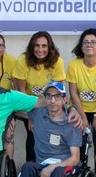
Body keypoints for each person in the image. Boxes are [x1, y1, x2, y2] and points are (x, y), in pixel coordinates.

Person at [13, 31, 66, 161]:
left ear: (49, 47)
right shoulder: (23, 59)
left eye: (44, 46)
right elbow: (21, 90)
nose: (40, 49)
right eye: (37, 45)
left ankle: (50, 170)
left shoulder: (57, 61)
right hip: (29, 105)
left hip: (49, 103)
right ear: (32, 47)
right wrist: (31, 117)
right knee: (33, 137)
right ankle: (30, 170)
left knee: (51, 138)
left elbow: (58, 92)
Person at [66, 28, 96, 145]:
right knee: (80, 145)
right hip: (80, 109)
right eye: (86, 42)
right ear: (81, 47)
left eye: (93, 42)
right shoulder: (74, 64)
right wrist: (83, 117)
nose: (89, 45)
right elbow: (73, 93)